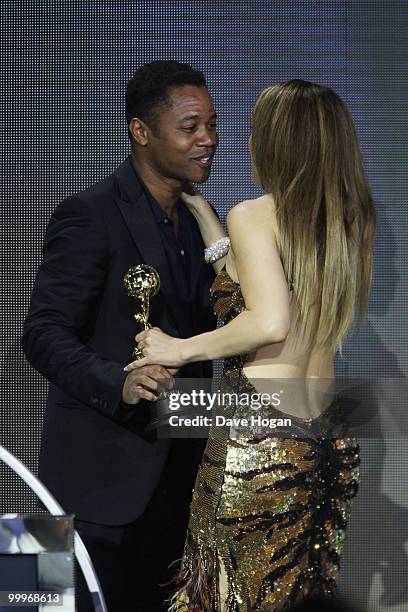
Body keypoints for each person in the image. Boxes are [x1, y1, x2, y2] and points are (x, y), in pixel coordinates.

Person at [125, 79, 376, 610]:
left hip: (257, 441)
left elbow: (268, 320)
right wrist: (209, 220)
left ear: (278, 143)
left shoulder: (257, 213)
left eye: (257, 131)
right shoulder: (349, 218)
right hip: (323, 442)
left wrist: (177, 348)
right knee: (296, 592)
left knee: (227, 594)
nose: (242, 142)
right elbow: (262, 283)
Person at [21, 60, 218, 611]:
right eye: (190, 126)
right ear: (141, 131)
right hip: (87, 485)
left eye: (212, 124)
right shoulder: (89, 213)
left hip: (178, 491)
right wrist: (119, 383)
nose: (207, 139)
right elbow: (40, 333)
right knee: (38, 605)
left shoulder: (204, 223)